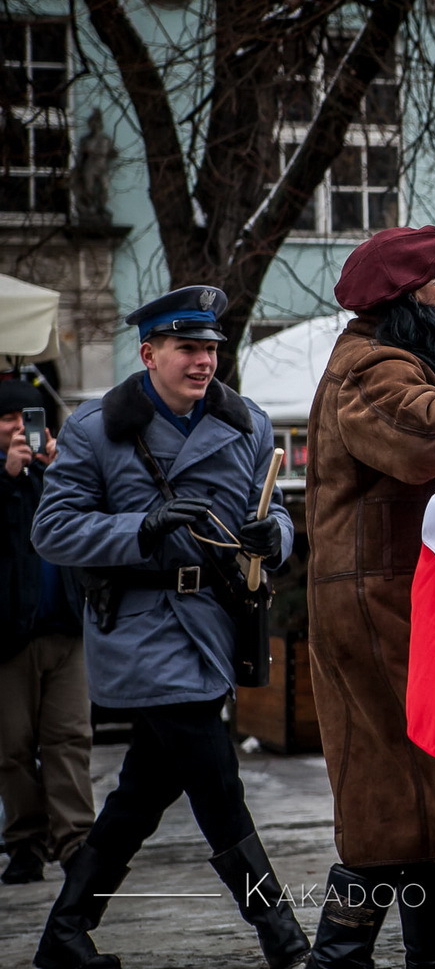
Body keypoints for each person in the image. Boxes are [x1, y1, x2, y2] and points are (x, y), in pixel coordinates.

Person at [29, 286, 307, 969]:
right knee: (216, 780)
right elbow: (53, 529)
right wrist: (137, 529)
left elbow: (278, 517)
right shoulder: (98, 428)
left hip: (215, 625)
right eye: (188, 348)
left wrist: (272, 534)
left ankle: (66, 931)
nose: (204, 361)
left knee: (143, 793)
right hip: (141, 626)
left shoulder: (246, 424)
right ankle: (284, 937)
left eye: (211, 348)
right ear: (149, 353)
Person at [303, 225, 435, 969]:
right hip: (375, 610)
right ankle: (336, 957)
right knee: (395, 801)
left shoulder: (386, 361)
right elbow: (425, 437)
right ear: (408, 298)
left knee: (428, 801)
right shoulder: (369, 369)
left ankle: (433, 961)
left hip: (405, 604)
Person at [1, 379, 91, 886]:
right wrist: (9, 477)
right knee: (11, 747)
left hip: (66, 627)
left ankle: (76, 842)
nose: (19, 428)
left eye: (28, 419)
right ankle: (24, 844)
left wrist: (57, 473)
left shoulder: (59, 474)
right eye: (8, 419)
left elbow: (84, 521)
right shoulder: (6, 478)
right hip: (9, 637)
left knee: (70, 738)